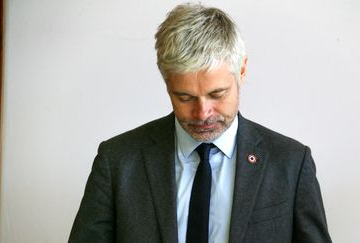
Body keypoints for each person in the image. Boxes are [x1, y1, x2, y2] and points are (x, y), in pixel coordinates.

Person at [69, 3, 332, 243]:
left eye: (217, 94)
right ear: (167, 83)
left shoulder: (291, 163)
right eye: (185, 97)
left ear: (241, 70)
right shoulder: (117, 161)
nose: (203, 113)